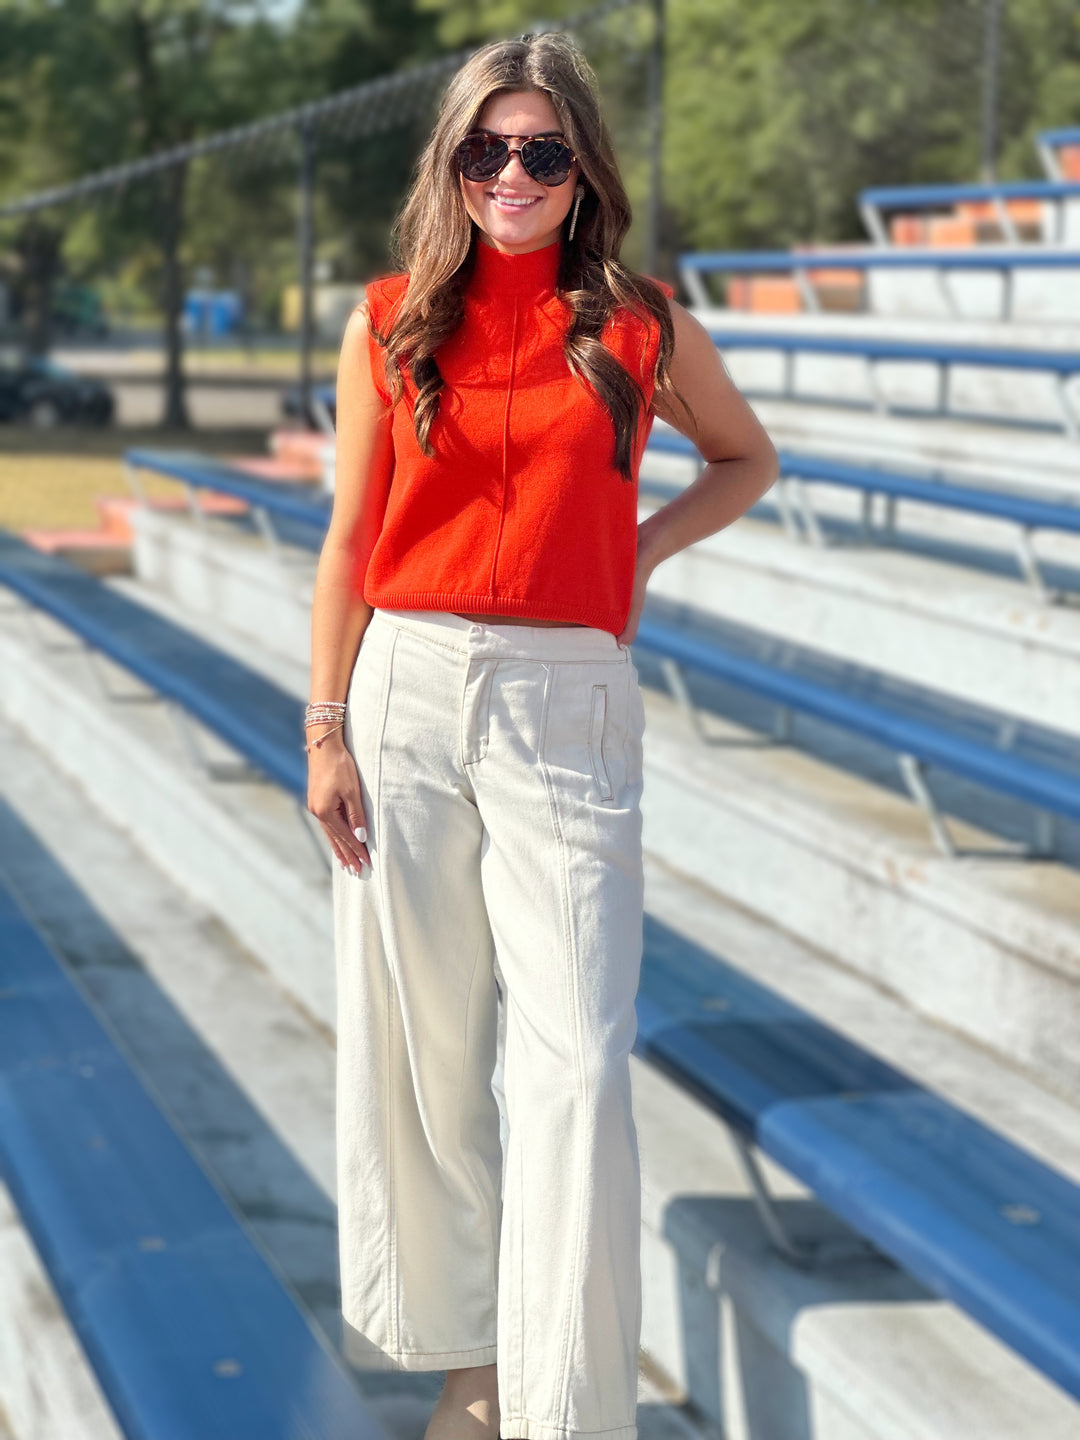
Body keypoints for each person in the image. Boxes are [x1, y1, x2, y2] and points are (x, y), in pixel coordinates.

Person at [305, 28, 778, 1440]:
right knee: (429, 1046)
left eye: (542, 150)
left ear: (582, 171)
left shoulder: (641, 322)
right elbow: (345, 542)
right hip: (403, 693)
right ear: (452, 167)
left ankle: (570, 1408)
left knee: (574, 1053)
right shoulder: (389, 319)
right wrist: (324, 725)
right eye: (486, 149)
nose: (512, 172)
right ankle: (472, 1366)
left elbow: (746, 458)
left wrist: (636, 554)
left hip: (569, 707)